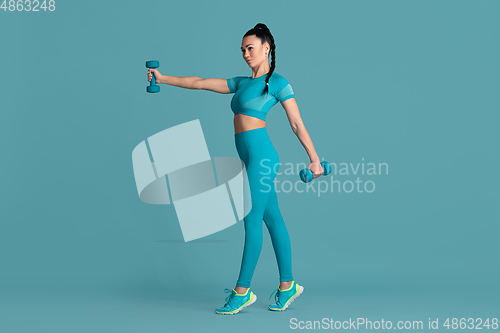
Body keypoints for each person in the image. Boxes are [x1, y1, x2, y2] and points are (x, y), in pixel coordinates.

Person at [147, 23, 323, 314]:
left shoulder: (276, 82)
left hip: (263, 157)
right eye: (242, 49)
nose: (245, 54)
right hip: (249, 158)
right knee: (272, 219)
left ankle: (242, 291)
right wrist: (163, 78)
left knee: (251, 219)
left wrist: (314, 158)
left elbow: (296, 123)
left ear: (267, 48)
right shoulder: (242, 83)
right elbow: (199, 82)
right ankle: (288, 285)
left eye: (250, 48)